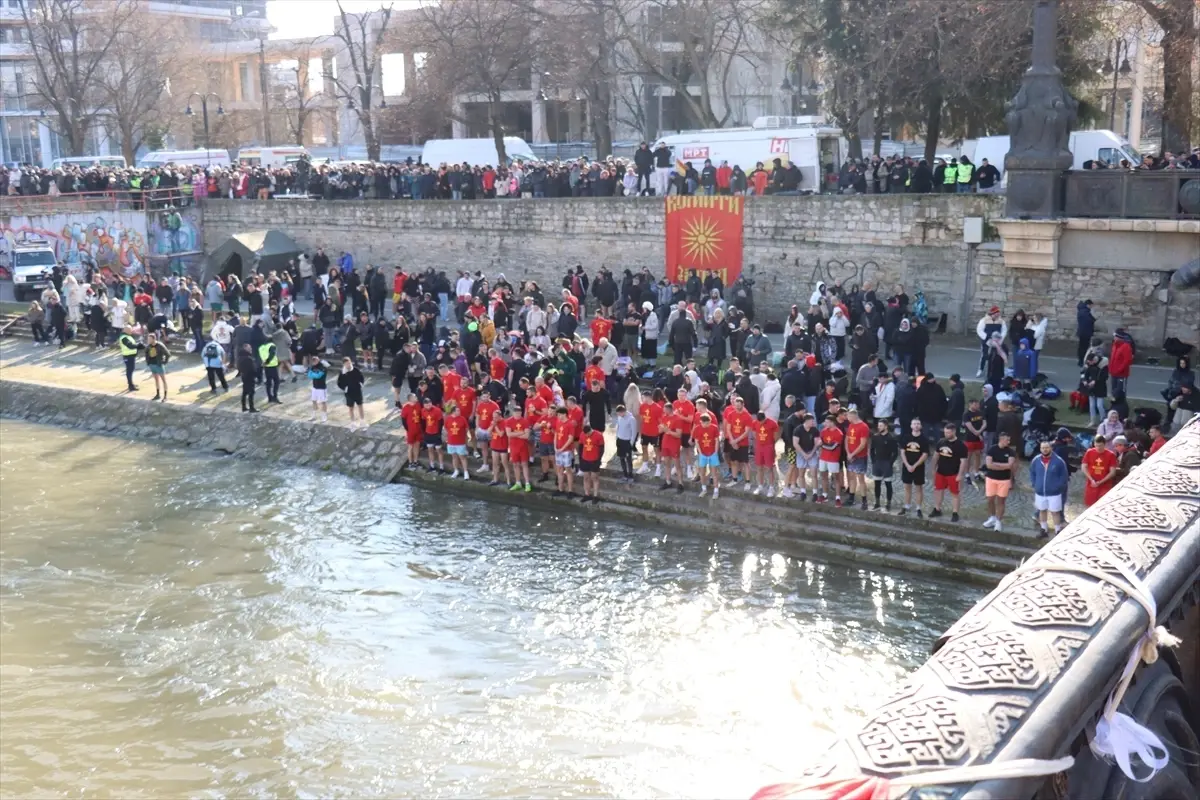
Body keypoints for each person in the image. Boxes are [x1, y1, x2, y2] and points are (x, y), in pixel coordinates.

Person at [1030, 439, 1069, 538]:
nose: (1045, 449)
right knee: (1042, 510)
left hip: (1054, 493)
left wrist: (1058, 487)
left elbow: (1064, 476)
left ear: (1051, 448)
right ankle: (1044, 530)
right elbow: (1032, 473)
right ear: (1040, 449)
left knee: (1055, 512)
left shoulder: (1059, 461)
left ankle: (1057, 531)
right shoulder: (1036, 460)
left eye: (1047, 447)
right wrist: (1035, 484)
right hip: (1040, 492)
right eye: (1043, 448)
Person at [930, 422, 968, 522]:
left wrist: (960, 474)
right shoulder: (941, 442)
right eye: (945, 432)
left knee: (955, 493)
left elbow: (963, 461)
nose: (946, 434)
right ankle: (937, 509)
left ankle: (955, 513)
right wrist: (933, 468)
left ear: (954, 432)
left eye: (948, 433)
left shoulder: (961, 445)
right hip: (940, 472)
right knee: (938, 491)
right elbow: (936, 456)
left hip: (953, 473)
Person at [983, 430, 1016, 531]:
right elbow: (989, 465)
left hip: (1004, 480)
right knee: (990, 500)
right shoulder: (992, 449)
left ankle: (998, 521)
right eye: (1007, 440)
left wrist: (995, 464)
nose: (1008, 442)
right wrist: (1003, 466)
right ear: (1001, 439)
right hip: (991, 478)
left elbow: (1009, 466)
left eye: (1009, 440)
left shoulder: (1010, 452)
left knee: (1001, 501)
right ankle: (992, 518)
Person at [898, 418, 929, 518]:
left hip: (919, 467)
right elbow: (902, 452)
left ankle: (918, 508)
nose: (916, 425)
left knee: (918, 488)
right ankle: (907, 505)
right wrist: (907, 465)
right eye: (914, 424)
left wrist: (915, 465)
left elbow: (925, 454)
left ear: (921, 426)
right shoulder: (906, 437)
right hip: (907, 466)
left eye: (918, 424)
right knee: (907, 487)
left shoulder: (924, 439)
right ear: (911, 426)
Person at [723, 395, 753, 490]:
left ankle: (748, 482)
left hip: (743, 443)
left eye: (739, 405)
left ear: (743, 405)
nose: (737, 407)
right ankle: (734, 479)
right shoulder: (731, 414)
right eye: (736, 405)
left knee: (745, 462)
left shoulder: (747, 416)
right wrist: (732, 441)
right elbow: (728, 428)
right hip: (733, 442)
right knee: (733, 461)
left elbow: (746, 432)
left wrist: (736, 441)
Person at [843, 408, 870, 509]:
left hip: (860, 457)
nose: (847, 418)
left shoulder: (863, 427)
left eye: (848, 416)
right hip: (850, 456)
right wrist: (848, 453)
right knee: (851, 477)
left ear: (853, 416)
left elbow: (863, 444)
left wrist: (852, 454)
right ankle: (851, 498)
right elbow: (847, 439)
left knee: (861, 479)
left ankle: (864, 501)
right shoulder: (851, 425)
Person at [869, 417, 898, 511]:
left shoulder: (891, 438)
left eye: (881, 426)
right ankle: (877, 502)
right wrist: (873, 460)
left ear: (886, 426)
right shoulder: (875, 437)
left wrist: (890, 463)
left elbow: (895, 452)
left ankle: (888, 503)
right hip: (877, 463)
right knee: (877, 484)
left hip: (886, 463)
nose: (879, 427)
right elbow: (872, 450)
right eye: (878, 426)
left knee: (888, 484)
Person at [1082, 434, 1119, 507]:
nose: (1098, 448)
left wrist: (1100, 482)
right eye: (1096, 445)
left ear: (1105, 444)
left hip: (1105, 485)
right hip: (1092, 484)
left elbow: (1112, 472)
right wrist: (1091, 479)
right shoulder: (1089, 452)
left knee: (1102, 506)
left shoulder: (1111, 455)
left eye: (1100, 446)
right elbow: (1083, 467)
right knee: (1090, 506)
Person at [505, 405, 533, 492]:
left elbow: (527, 436)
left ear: (521, 413)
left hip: (523, 446)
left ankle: (527, 483)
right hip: (513, 446)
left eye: (518, 412)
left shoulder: (525, 421)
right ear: (513, 413)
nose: (517, 414)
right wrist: (521, 433)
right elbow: (509, 434)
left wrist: (515, 433)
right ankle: (518, 483)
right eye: (515, 412)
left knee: (524, 464)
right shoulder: (509, 421)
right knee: (515, 464)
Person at [694, 411, 722, 498]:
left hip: (712, 453)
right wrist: (700, 452)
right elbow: (697, 441)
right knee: (702, 473)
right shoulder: (697, 429)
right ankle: (704, 489)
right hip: (703, 454)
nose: (707, 425)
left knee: (714, 473)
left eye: (708, 423)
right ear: (701, 422)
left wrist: (715, 452)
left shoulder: (714, 428)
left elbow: (717, 440)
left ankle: (716, 491)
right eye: (705, 423)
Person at [817, 414, 844, 505]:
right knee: (823, 476)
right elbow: (820, 442)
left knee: (836, 478)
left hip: (833, 459)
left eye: (827, 422)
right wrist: (822, 445)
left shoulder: (839, 433)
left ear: (832, 423)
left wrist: (822, 445)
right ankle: (824, 495)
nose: (825, 424)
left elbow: (832, 447)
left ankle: (838, 498)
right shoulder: (824, 431)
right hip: (823, 458)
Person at [751, 410, 779, 497]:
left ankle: (771, 488)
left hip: (768, 447)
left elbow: (776, 436)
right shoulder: (755, 423)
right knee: (759, 467)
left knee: (769, 468)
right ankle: (760, 486)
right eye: (759, 421)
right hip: (759, 447)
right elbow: (754, 434)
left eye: (762, 421)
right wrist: (760, 441)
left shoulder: (773, 423)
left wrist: (770, 444)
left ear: (765, 418)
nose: (761, 423)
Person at [552, 407, 577, 497]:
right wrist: (555, 446)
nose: (558, 416)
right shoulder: (558, 422)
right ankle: (560, 489)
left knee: (568, 470)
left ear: (564, 414)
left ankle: (570, 491)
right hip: (558, 450)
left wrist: (562, 448)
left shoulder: (570, 424)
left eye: (559, 414)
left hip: (566, 451)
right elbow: (556, 434)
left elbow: (570, 438)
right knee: (559, 470)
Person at [442, 401, 470, 478]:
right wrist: (448, 435)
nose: (459, 412)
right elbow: (445, 428)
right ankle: (456, 470)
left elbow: (467, 429)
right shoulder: (448, 419)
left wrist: (465, 437)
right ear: (453, 412)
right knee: (454, 457)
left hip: (460, 442)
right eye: (458, 411)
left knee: (462, 457)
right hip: (451, 442)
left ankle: (466, 472)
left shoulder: (462, 419)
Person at [962, 397, 986, 483]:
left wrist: (980, 431)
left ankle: (976, 473)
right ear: (970, 404)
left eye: (977, 404)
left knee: (978, 455)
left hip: (978, 439)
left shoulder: (980, 413)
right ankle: (967, 474)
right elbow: (970, 427)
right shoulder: (966, 414)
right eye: (975, 404)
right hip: (969, 438)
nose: (977, 406)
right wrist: (978, 434)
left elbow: (984, 423)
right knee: (968, 457)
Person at [337, 357, 366, 430]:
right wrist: (345, 388)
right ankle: (353, 423)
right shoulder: (342, 373)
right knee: (351, 408)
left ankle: (362, 421)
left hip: (357, 391)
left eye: (349, 363)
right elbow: (339, 383)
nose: (348, 365)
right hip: (349, 393)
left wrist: (360, 384)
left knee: (360, 406)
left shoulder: (355, 370)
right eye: (346, 363)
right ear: (344, 364)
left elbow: (361, 378)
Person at [578, 423, 605, 502]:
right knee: (586, 477)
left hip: (595, 460)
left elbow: (602, 449)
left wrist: (598, 460)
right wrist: (581, 458)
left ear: (591, 430)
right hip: (585, 459)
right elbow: (580, 446)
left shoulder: (599, 435)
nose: (586, 435)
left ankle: (595, 496)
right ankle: (587, 494)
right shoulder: (582, 434)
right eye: (585, 434)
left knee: (594, 477)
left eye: (588, 434)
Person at [614, 403, 637, 483]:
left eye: (619, 413)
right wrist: (617, 437)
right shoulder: (619, 417)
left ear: (623, 411)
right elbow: (618, 427)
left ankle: (630, 476)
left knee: (628, 459)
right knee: (621, 458)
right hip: (620, 440)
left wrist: (631, 443)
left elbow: (634, 432)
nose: (618, 415)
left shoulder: (631, 419)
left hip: (627, 441)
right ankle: (625, 475)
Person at [144, 332, 170, 401]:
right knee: (156, 380)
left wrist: (164, 362)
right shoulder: (148, 346)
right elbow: (146, 354)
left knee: (163, 380)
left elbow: (167, 354)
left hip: (158, 365)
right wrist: (148, 363)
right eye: (148, 339)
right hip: (152, 365)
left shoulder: (160, 345)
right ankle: (158, 394)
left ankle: (165, 396)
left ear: (154, 339)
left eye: (150, 339)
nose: (148, 340)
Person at [400, 394, 423, 468]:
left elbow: (420, 416)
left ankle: (415, 461)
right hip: (410, 430)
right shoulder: (405, 407)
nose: (416, 397)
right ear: (410, 399)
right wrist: (408, 429)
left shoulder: (418, 405)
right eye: (415, 397)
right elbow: (403, 420)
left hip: (418, 429)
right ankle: (410, 463)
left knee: (417, 445)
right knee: (410, 447)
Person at [117, 324, 141, 392]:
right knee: (129, 370)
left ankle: (131, 383)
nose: (131, 331)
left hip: (131, 356)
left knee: (131, 369)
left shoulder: (127, 336)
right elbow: (130, 345)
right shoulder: (124, 338)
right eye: (130, 330)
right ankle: (130, 385)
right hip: (128, 356)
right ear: (126, 330)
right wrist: (138, 346)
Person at [236, 343, 258, 413]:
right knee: (251, 392)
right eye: (249, 348)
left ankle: (244, 407)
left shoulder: (240, 357)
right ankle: (252, 408)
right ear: (245, 349)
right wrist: (256, 376)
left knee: (245, 392)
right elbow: (252, 369)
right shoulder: (248, 358)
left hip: (244, 376)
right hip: (249, 377)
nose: (251, 349)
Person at [308, 358, 329, 422]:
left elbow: (318, 376)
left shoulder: (323, 367)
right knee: (314, 401)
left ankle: (324, 416)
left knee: (323, 402)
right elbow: (309, 375)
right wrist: (314, 375)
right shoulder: (313, 367)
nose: (313, 362)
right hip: (314, 387)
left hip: (322, 388)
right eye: (313, 361)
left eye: (315, 361)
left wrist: (313, 375)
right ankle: (314, 416)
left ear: (318, 360)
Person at [1075, 300, 1095, 367]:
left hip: (1083, 332)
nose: (1091, 307)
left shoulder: (1083, 311)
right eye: (1091, 305)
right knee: (1083, 347)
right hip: (1085, 332)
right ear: (1088, 305)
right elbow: (1089, 320)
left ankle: (1081, 360)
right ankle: (1081, 360)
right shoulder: (1085, 312)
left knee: (1082, 346)